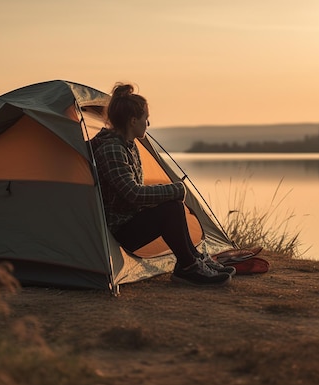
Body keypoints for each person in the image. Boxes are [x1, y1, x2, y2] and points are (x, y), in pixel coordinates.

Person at [90, 83, 235, 286]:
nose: (148, 123)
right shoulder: (112, 149)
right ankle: (188, 266)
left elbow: (132, 195)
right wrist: (175, 189)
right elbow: (132, 194)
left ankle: (192, 260)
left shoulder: (127, 146)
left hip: (129, 219)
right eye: (145, 118)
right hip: (118, 230)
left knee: (172, 206)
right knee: (171, 208)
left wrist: (168, 194)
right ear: (133, 121)